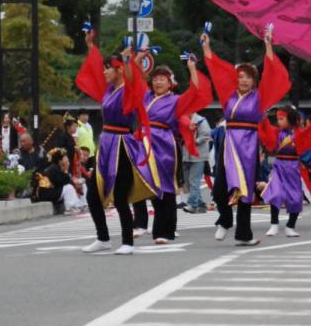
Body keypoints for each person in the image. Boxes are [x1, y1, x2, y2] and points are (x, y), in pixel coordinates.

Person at [201, 25, 290, 246]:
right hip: (229, 143)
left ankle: (243, 235)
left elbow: (272, 73)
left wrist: (268, 44)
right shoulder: (228, 95)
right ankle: (225, 219)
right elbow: (216, 72)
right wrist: (207, 48)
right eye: (240, 76)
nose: (244, 80)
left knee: (245, 191)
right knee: (219, 187)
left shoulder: (260, 97)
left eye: (249, 77)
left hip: (248, 146)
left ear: (254, 81)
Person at [75, 28, 160, 254]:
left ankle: (127, 242)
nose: (103, 72)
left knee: (120, 195)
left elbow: (133, 80)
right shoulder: (108, 91)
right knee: (93, 194)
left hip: (123, 143)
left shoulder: (128, 90)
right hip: (106, 144)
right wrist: (90, 45)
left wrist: (129, 62)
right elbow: (94, 70)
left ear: (119, 70)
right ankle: (103, 238)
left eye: (108, 68)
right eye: (104, 68)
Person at [138, 58, 212, 243]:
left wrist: (192, 68)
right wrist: (137, 59)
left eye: (162, 79)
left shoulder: (176, 100)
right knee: (149, 185)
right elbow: (135, 81)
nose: (158, 82)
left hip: (164, 144)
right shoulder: (147, 97)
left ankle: (165, 231)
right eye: (155, 79)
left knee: (166, 186)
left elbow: (194, 90)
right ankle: (145, 225)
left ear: (170, 83)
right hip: (144, 143)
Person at [259, 107, 311, 236]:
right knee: (276, 194)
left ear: (290, 119)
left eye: (281, 119)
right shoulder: (277, 132)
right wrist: (264, 119)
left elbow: (310, 134)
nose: (279, 121)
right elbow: (266, 131)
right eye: (278, 119)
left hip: (293, 167)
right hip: (279, 166)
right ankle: (274, 225)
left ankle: (290, 226)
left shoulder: (298, 132)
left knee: (295, 198)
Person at [34, 147, 86, 214]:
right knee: (68, 188)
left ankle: (82, 205)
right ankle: (70, 208)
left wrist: (75, 182)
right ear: (60, 161)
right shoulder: (53, 168)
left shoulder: (59, 168)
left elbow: (64, 181)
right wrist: (74, 182)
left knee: (82, 185)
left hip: (53, 190)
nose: (67, 161)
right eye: (65, 159)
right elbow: (60, 182)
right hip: (45, 193)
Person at [182, 111, 212, 212]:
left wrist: (193, 142)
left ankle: (192, 204)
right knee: (188, 182)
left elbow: (206, 135)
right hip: (186, 155)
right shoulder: (183, 121)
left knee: (194, 181)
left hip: (198, 156)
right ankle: (201, 204)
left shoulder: (201, 120)